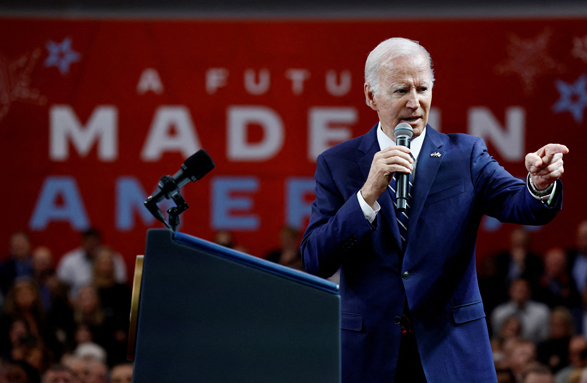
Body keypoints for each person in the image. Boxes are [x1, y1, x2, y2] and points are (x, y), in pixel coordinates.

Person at [300, 37, 567, 383]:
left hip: (451, 352)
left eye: (422, 88)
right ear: (370, 96)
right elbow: (315, 259)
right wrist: (366, 196)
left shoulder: (466, 154)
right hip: (370, 357)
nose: (415, 103)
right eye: (400, 91)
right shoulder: (338, 165)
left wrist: (539, 184)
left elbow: (523, 206)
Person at [56, 229, 127, 299]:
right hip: (76, 302)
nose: (91, 245)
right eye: (88, 242)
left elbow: (120, 281)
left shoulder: (113, 258)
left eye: (93, 242)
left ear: (99, 242)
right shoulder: (69, 260)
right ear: (82, 242)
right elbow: (61, 286)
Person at [492, 278, 551, 343]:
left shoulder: (541, 312)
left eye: (523, 290)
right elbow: (497, 336)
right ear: (510, 291)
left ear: (529, 292)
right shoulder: (499, 312)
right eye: (516, 289)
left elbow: (544, 337)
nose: (520, 292)